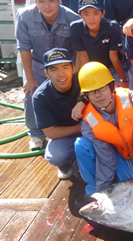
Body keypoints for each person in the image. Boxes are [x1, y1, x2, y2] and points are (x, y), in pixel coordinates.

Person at [74, 62, 133, 200]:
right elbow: (105, 156)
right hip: (118, 158)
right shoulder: (88, 122)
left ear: (111, 87)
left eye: (101, 88)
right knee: (81, 144)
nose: (98, 95)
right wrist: (101, 192)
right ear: (86, 96)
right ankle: (92, 189)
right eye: (91, 91)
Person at [16, 0, 79, 151]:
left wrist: (77, 74)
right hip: (37, 63)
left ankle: (70, 126)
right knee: (31, 92)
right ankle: (36, 133)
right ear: (35, 2)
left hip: (66, 64)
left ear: (59, 1)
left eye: (51, 0)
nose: (46, 5)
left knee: (74, 94)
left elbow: (79, 49)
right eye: (41, 1)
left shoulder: (72, 18)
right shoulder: (24, 16)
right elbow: (24, 48)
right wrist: (29, 78)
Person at [32, 48, 85, 179]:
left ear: (73, 68)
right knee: (54, 156)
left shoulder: (84, 79)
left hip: (94, 128)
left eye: (65, 67)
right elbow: (50, 133)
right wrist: (82, 128)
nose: (61, 74)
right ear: (46, 73)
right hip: (67, 134)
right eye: (54, 69)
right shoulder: (40, 96)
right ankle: (67, 165)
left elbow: (107, 92)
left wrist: (82, 99)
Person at [70, 0, 128, 87]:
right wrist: (83, 79)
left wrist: (123, 79)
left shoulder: (112, 26)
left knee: (121, 93)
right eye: (86, 14)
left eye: (95, 13)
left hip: (113, 68)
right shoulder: (76, 27)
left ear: (103, 13)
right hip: (93, 69)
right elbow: (83, 56)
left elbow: (113, 57)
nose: (91, 18)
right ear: (80, 15)